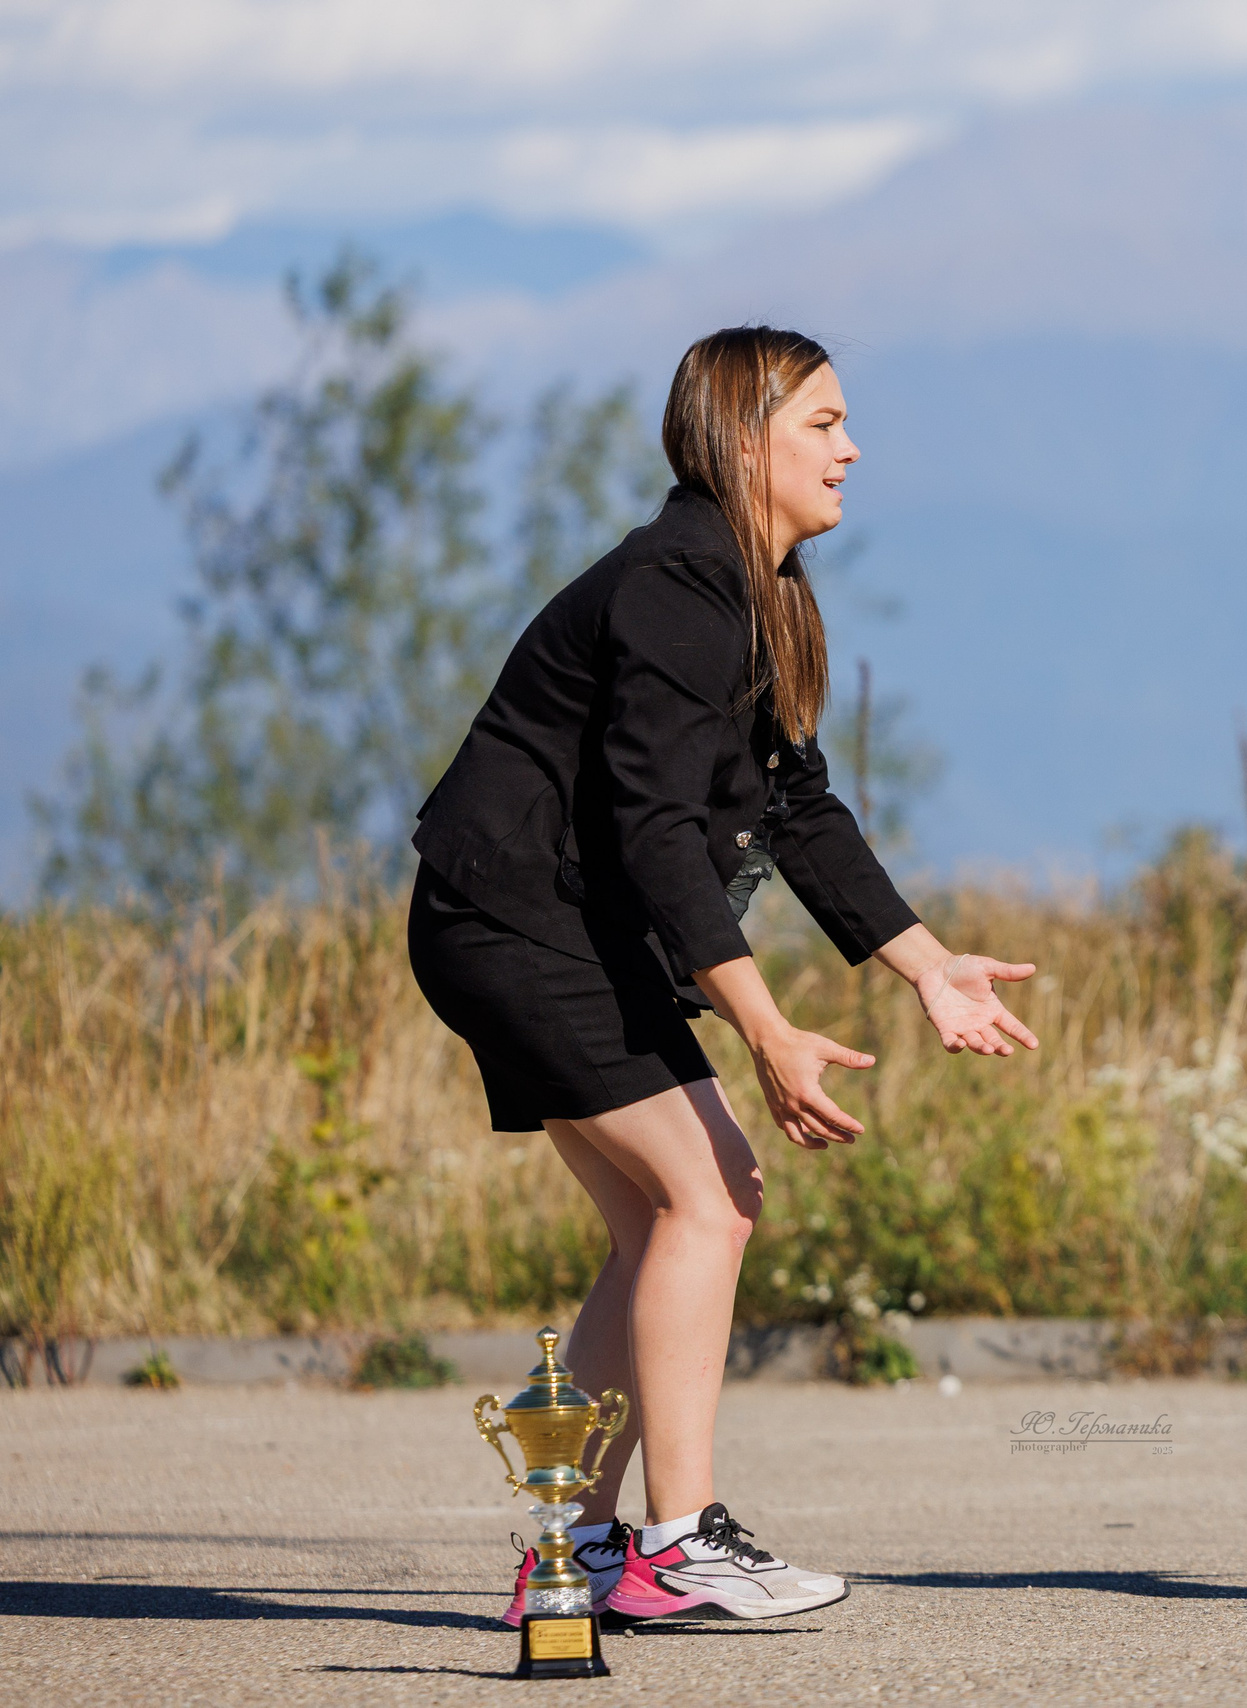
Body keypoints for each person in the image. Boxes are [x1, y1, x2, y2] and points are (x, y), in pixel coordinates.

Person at [409, 326, 1037, 1622]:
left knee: (667, 1223)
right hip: (520, 921)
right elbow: (651, 830)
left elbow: (795, 808)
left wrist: (924, 966)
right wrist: (762, 1023)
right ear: (741, 440)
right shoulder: (677, 589)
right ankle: (677, 1540)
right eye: (824, 424)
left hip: (538, 924)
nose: (852, 450)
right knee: (713, 1197)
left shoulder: (755, 592)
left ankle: (571, 1561)